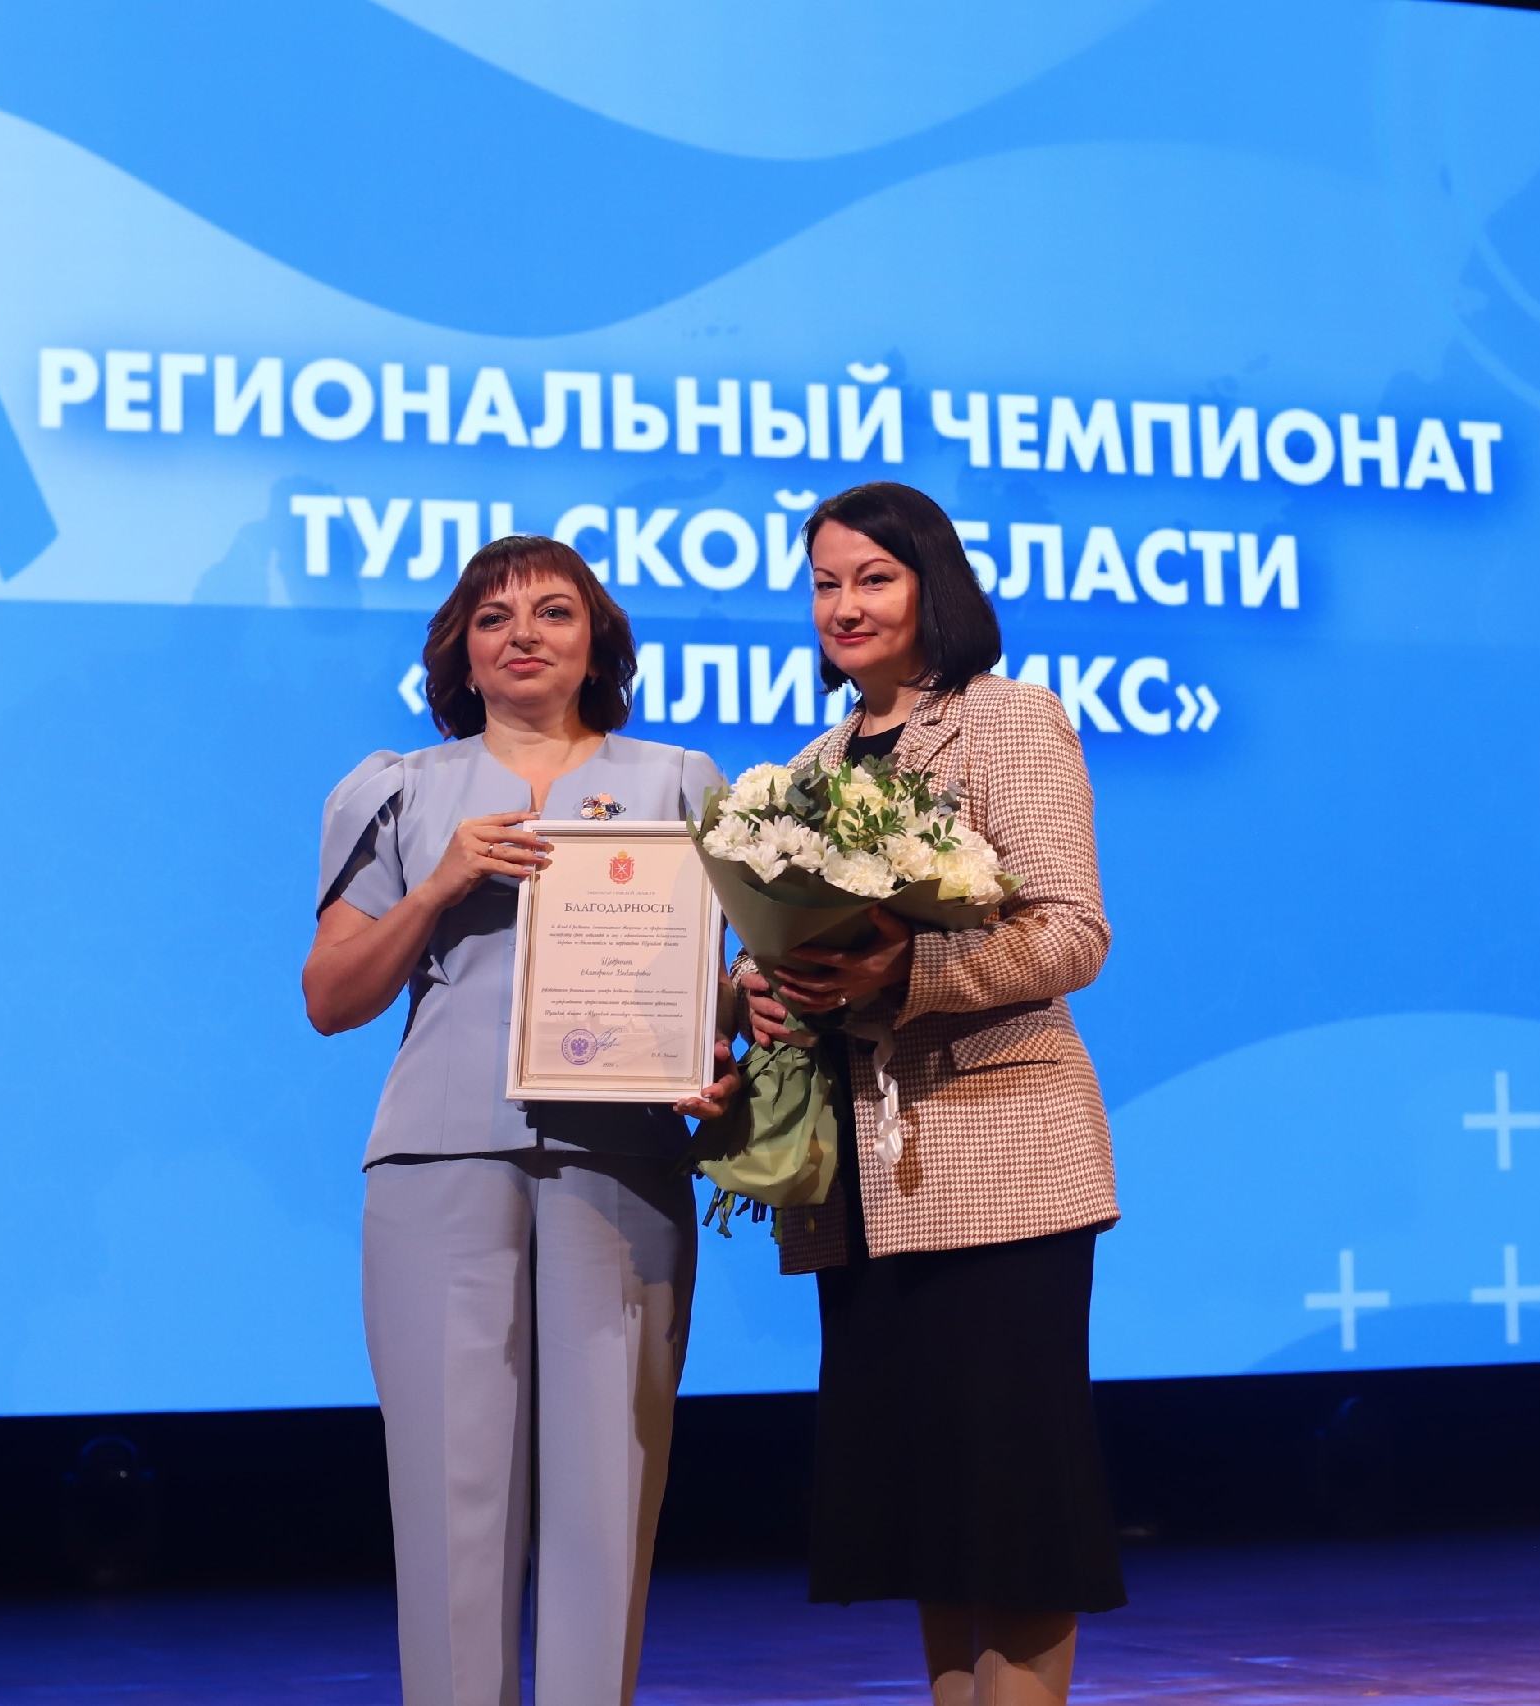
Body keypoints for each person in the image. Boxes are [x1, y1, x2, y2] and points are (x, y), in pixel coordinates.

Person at [302, 536, 724, 1706]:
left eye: (553, 611)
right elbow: (331, 996)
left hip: (621, 1156)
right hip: (439, 1157)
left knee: (606, 1496)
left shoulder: (682, 782)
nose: (523, 633)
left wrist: (722, 1056)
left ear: (597, 642)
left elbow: (722, 991)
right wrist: (439, 883)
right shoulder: (398, 788)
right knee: (450, 1497)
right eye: (493, 617)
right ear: (460, 652)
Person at [731, 481, 1126, 1705]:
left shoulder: (1007, 719)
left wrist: (906, 968)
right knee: (927, 1521)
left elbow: (1070, 931)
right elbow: (796, 946)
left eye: (873, 577)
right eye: (825, 583)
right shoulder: (808, 767)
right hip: (866, 1180)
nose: (844, 605)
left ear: (931, 585)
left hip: (1001, 1165)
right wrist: (761, 986)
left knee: (1015, 1515)